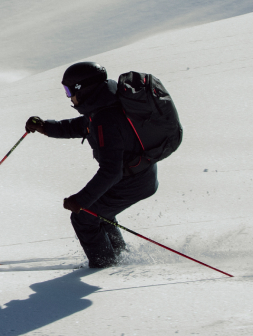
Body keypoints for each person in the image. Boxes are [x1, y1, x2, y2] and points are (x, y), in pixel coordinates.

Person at [25, 61, 158, 268]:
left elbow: (111, 171)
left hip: (132, 180)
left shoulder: (106, 118)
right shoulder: (104, 107)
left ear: (83, 89)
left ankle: (104, 266)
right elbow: (81, 126)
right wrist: (45, 127)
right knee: (99, 213)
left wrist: (81, 200)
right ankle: (118, 256)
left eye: (69, 90)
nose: (68, 96)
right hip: (137, 175)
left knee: (84, 217)